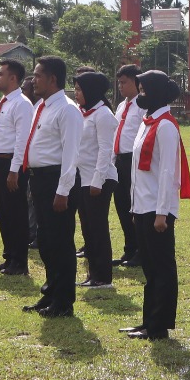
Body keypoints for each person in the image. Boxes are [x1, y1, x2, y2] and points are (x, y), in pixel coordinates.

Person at [124, 70, 190, 340]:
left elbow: (167, 172)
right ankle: (147, 320)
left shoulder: (165, 125)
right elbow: (136, 169)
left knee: (162, 267)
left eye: (143, 90)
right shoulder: (147, 122)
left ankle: (159, 325)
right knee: (149, 268)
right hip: (142, 205)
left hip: (157, 209)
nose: (140, 95)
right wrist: (133, 206)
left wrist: (162, 212)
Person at [17, 55, 82, 318]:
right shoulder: (41, 107)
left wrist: (63, 191)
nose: (33, 81)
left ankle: (64, 301)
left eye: (38, 75)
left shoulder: (67, 109)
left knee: (60, 242)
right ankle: (51, 293)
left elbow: (71, 154)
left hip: (57, 181)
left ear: (53, 79)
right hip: (40, 179)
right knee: (45, 241)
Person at [0, 59, 34, 276]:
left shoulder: (21, 103)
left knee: (16, 213)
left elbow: (22, 140)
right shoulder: (3, 101)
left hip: (12, 162)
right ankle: (9, 257)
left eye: (1, 74)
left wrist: (14, 170)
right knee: (3, 212)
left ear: (13, 78)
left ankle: (20, 261)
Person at [72, 70, 117, 289]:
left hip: (98, 179)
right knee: (88, 228)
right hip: (83, 177)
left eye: (80, 89)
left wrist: (97, 181)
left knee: (98, 227)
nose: (76, 94)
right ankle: (93, 274)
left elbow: (105, 150)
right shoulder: (82, 113)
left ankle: (104, 276)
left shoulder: (103, 115)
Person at [109, 64, 143, 267]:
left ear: (136, 82)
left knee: (135, 207)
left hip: (134, 160)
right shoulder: (122, 105)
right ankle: (129, 249)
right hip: (119, 160)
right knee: (121, 205)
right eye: (118, 82)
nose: (120, 86)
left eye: (124, 82)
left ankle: (140, 249)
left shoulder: (143, 105)